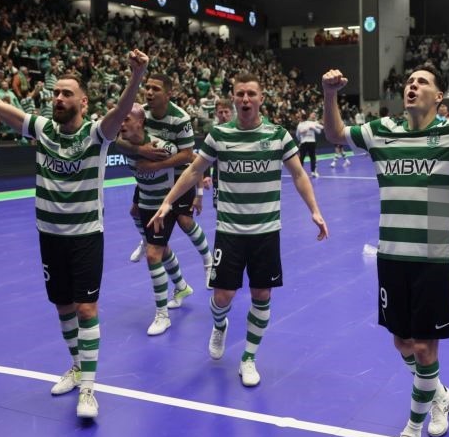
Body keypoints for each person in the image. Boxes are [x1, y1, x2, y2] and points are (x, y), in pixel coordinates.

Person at [0, 43, 149, 420]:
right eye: (55, 92)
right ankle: (76, 366)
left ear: (83, 101)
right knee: (63, 306)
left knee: (87, 307)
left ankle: (88, 388)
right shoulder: (41, 130)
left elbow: (121, 110)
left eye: (65, 93)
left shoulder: (96, 134)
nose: (57, 98)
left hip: (86, 234)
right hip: (49, 235)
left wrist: (137, 75)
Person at [321, 65, 449, 437]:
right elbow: (335, 134)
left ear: (439, 96)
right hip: (391, 256)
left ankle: (413, 427)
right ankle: (440, 394)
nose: (412, 86)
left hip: (432, 259)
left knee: (424, 348)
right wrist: (330, 95)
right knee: (401, 342)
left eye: (422, 82)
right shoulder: (381, 131)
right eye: (409, 82)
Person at [148, 72, 328, 387]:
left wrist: (314, 209)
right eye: (240, 93)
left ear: (261, 99)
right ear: (233, 97)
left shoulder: (278, 135)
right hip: (229, 231)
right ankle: (220, 326)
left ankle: (248, 358)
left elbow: (298, 174)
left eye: (251, 94)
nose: (245, 99)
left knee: (261, 293)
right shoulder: (219, 135)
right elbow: (193, 171)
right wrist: (167, 202)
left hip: (266, 231)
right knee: (223, 296)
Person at [117, 74, 213, 289]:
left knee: (185, 222)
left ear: (169, 94)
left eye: (155, 89)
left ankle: (209, 262)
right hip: (150, 177)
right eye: (147, 87)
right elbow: (117, 139)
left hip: (178, 176)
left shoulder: (180, 118)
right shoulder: (139, 112)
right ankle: (146, 239)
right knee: (135, 212)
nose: (149, 92)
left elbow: (188, 155)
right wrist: (140, 150)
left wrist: (155, 165)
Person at [119, 103, 193, 334]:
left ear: (140, 123)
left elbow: (190, 159)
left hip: (163, 206)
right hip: (144, 202)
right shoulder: (125, 145)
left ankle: (163, 315)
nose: (120, 123)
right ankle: (181, 286)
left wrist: (197, 192)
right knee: (162, 249)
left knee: (153, 255)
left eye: (126, 119)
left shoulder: (162, 146)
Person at [201, 97, 234, 209]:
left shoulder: (240, 131)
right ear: (216, 113)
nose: (223, 115)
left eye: (226, 112)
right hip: (218, 178)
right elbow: (205, 156)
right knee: (219, 208)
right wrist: (206, 176)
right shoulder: (212, 133)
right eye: (220, 112)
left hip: (237, 178)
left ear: (232, 112)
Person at [296, 111, 323, 178]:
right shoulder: (302, 124)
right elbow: (298, 134)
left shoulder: (310, 123)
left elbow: (321, 129)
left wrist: (313, 127)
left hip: (308, 142)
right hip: (307, 143)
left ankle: (309, 172)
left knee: (306, 158)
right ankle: (309, 172)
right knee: (307, 158)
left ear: (302, 118)